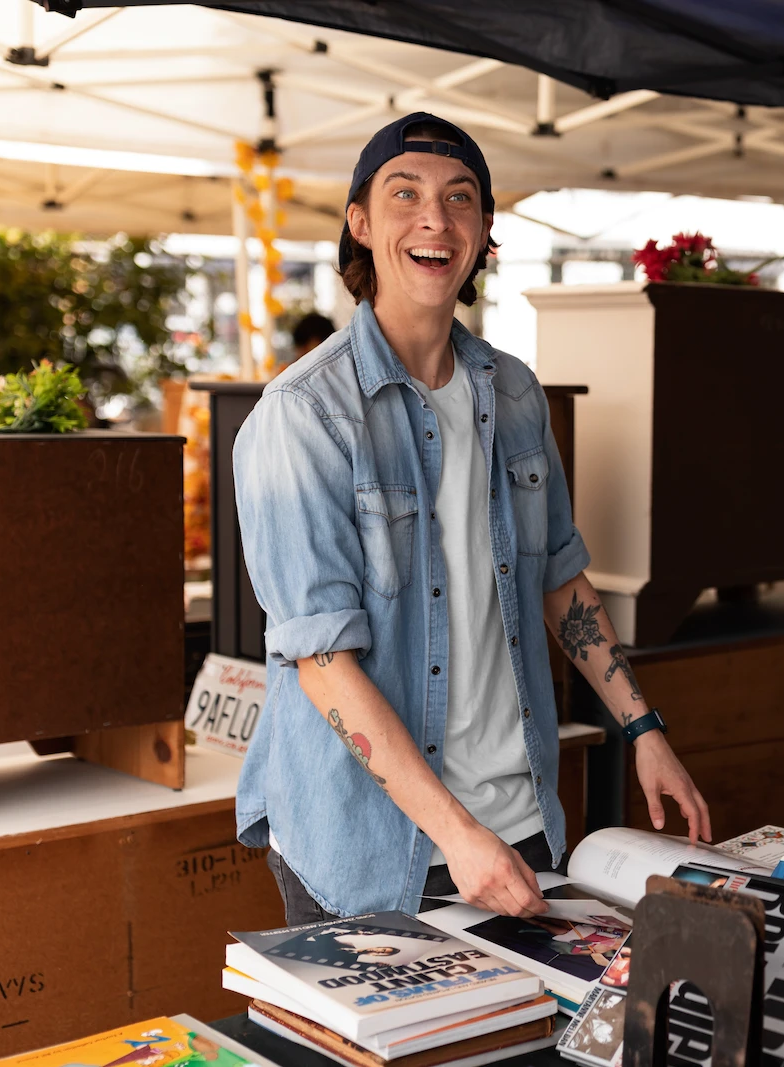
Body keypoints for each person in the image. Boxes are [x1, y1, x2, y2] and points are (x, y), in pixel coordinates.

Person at [233, 113, 710, 924]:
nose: (435, 219)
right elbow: (321, 663)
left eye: (461, 199)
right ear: (361, 224)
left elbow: (560, 577)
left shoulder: (515, 393)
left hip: (517, 823)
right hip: (373, 844)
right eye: (405, 194)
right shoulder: (303, 414)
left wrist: (646, 732)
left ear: (484, 231)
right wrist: (456, 832)